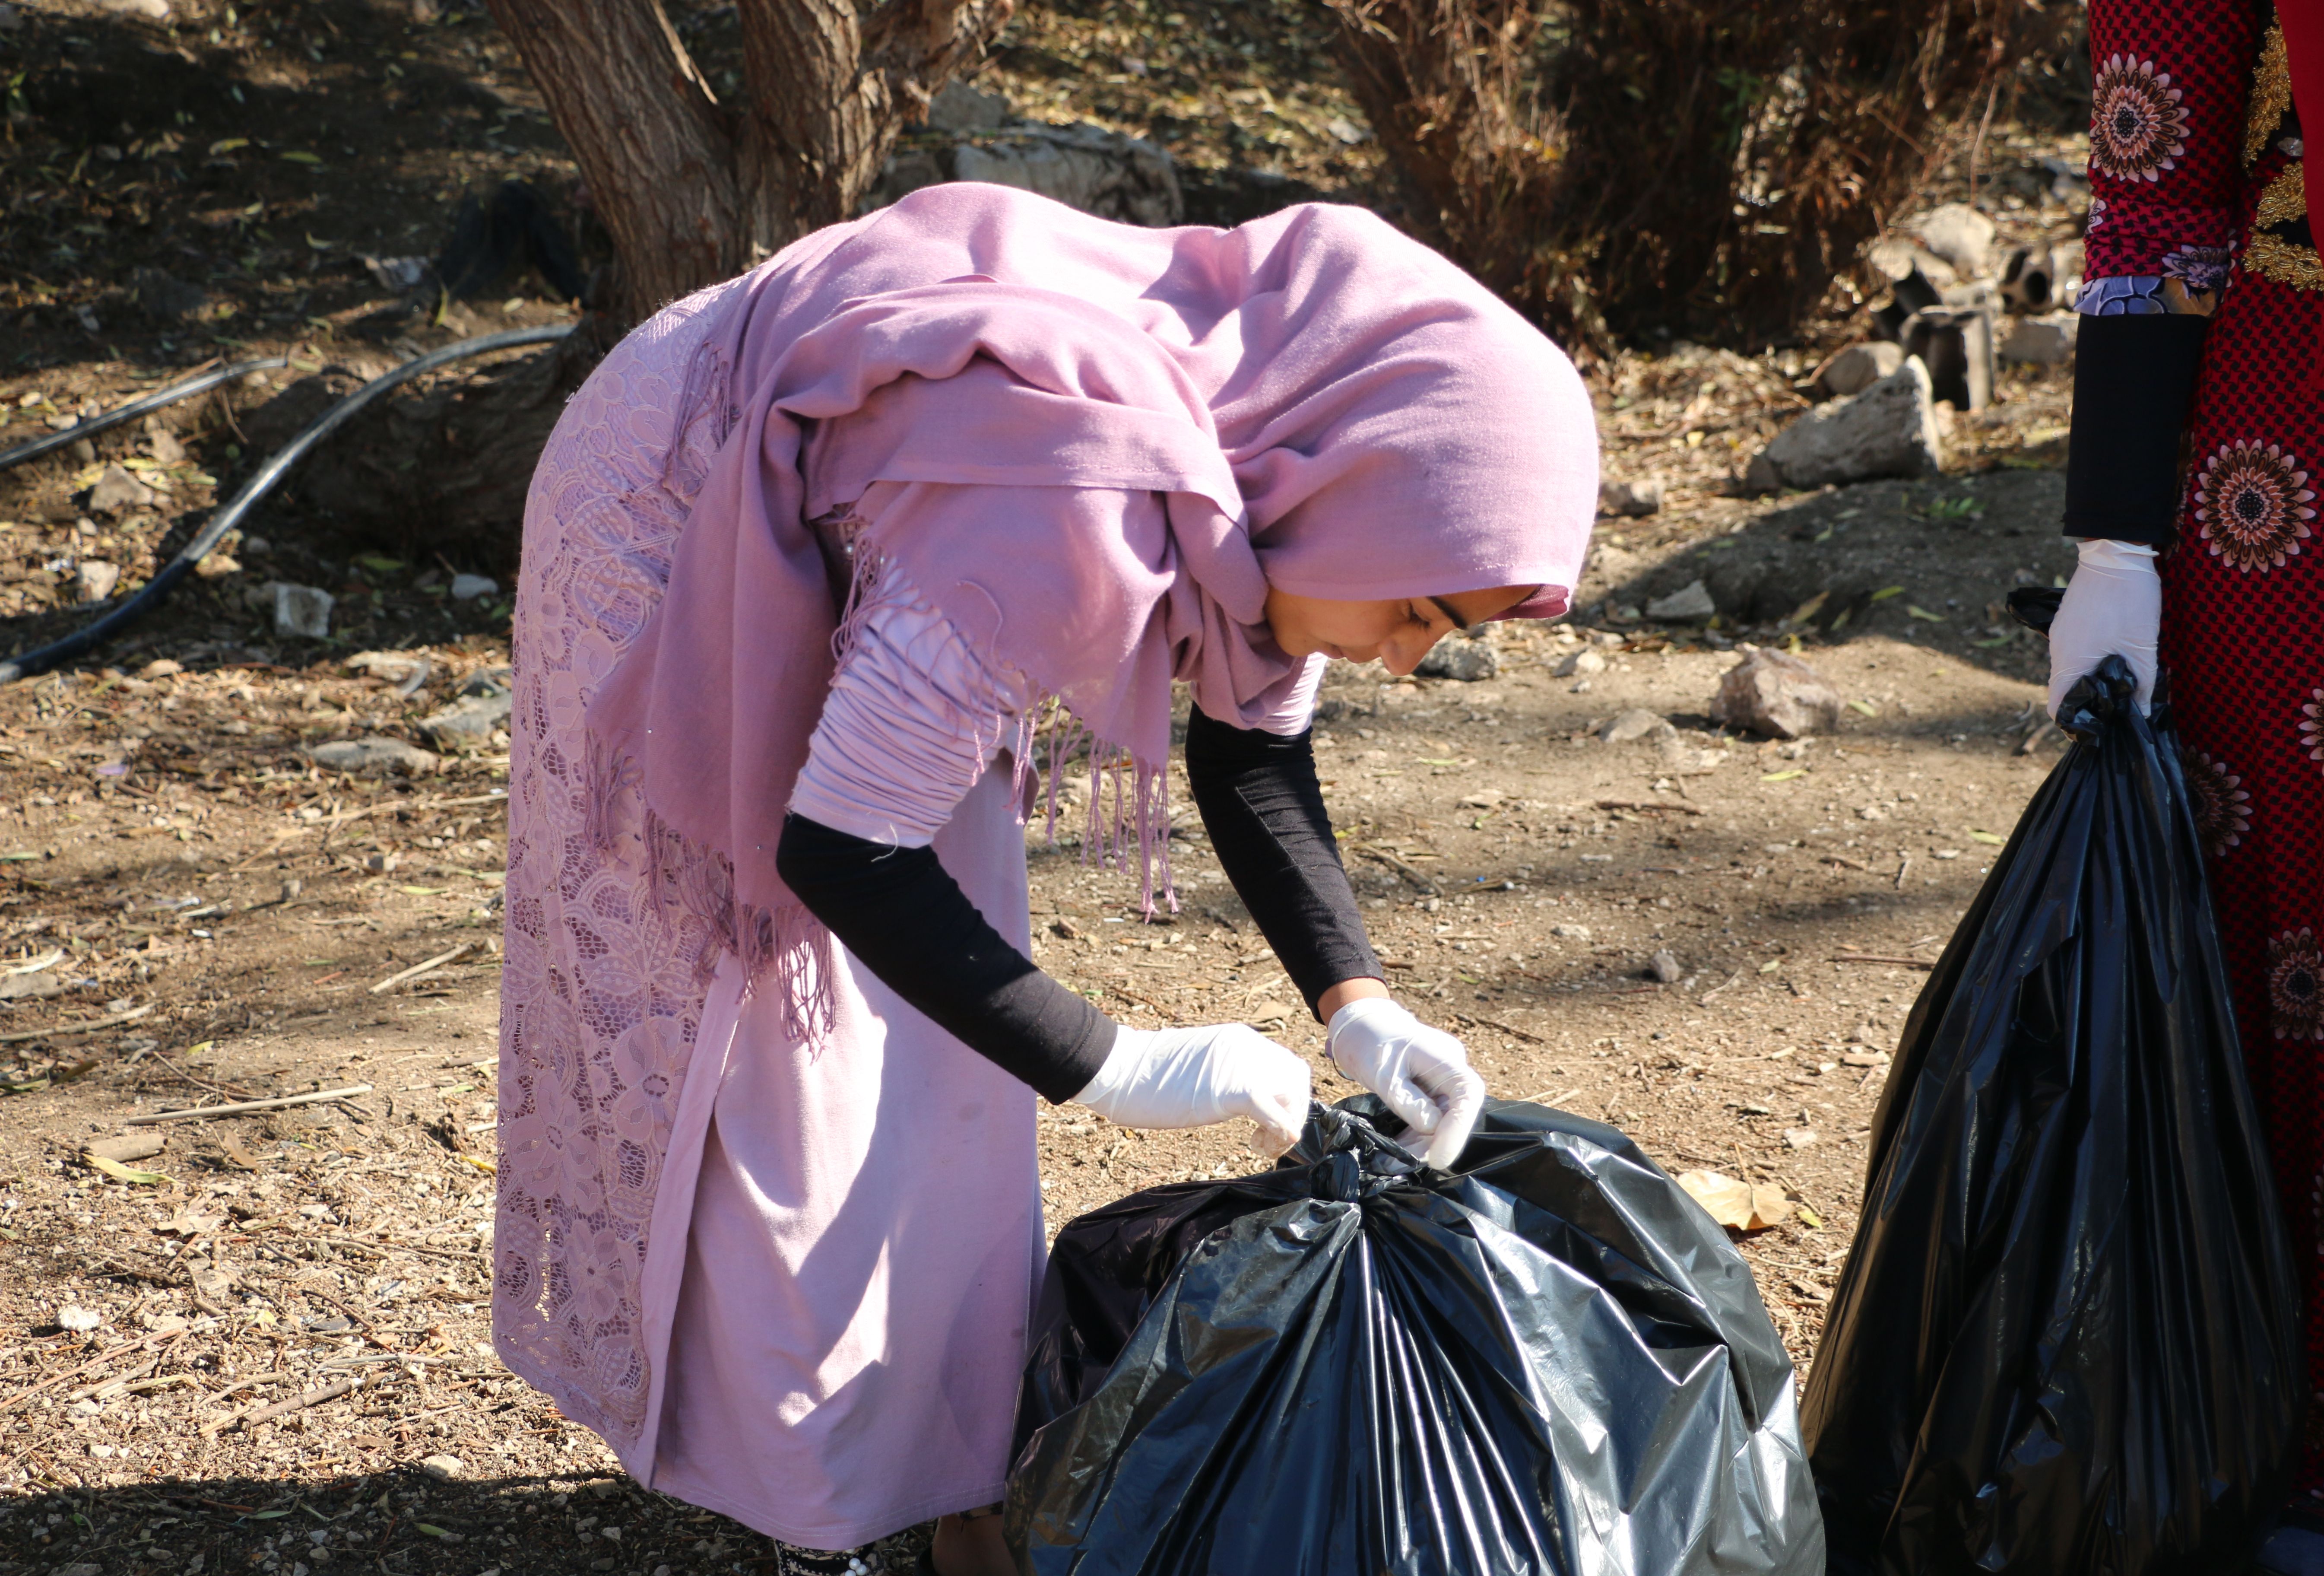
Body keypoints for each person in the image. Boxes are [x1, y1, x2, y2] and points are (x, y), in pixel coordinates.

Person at [489, 184, 1597, 1575]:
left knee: (952, 1008)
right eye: (1421, 612)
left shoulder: (1277, 483)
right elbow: (840, 852)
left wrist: (1358, 1002)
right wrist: (1116, 1064)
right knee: (778, 1030)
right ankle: (817, 1514)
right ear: (1358, 490)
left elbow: (1253, 761)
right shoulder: (1071, 504)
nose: (1409, 655)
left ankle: (956, 1465)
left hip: (902, 510)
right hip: (675, 485)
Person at [2052, 0, 2324, 1569]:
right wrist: (2115, 544)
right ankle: (2302, 1446)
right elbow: (2153, 183)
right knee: (2310, 941)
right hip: (2307, 459)